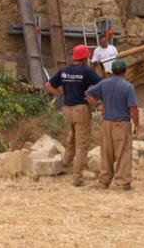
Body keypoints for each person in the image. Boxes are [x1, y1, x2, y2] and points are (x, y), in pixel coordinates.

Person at [46, 44, 103, 186]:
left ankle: (66, 162)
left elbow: (49, 85)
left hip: (66, 110)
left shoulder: (64, 70)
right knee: (82, 144)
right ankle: (77, 179)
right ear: (84, 57)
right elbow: (102, 85)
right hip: (80, 110)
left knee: (71, 137)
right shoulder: (87, 71)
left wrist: (59, 93)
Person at [84, 59, 140, 190]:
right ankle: (123, 181)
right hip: (122, 123)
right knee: (123, 153)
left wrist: (98, 105)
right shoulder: (128, 87)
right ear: (125, 71)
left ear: (112, 71)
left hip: (107, 122)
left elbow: (88, 94)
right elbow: (133, 108)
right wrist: (137, 125)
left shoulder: (104, 83)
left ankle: (104, 181)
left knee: (106, 152)